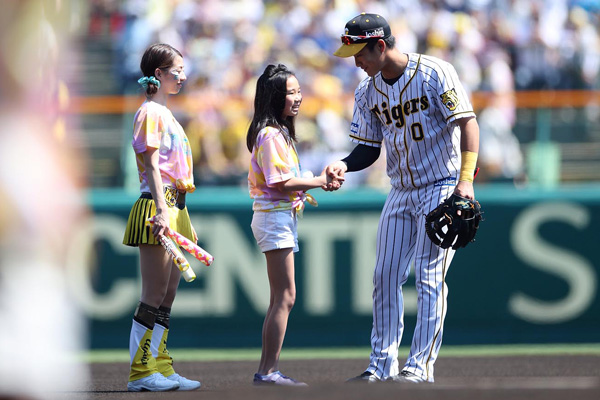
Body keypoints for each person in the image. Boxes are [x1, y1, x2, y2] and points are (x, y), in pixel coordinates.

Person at [325, 13, 480, 384]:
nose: (355, 61)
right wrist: (344, 164)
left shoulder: (435, 72)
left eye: (359, 53)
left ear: (380, 45)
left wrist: (466, 181)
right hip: (400, 189)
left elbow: (468, 123)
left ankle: (419, 366)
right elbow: (367, 149)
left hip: (441, 183)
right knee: (384, 275)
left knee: (428, 275)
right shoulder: (366, 91)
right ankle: (381, 366)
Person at [247, 64, 342, 386]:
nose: (298, 98)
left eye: (299, 91)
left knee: (282, 296)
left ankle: (267, 370)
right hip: (273, 218)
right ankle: (268, 371)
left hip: (277, 216)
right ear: (275, 97)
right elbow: (281, 181)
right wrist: (318, 181)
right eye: (291, 92)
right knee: (285, 296)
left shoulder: (276, 132)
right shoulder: (271, 133)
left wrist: (310, 186)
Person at [122, 43, 201, 392]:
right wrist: (162, 210)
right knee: (153, 294)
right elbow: (152, 166)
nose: (182, 76)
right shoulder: (150, 112)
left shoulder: (165, 113)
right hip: (158, 207)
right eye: (176, 70)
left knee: (166, 296)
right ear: (158, 74)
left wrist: (181, 214)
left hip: (173, 207)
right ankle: (141, 372)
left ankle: (160, 366)